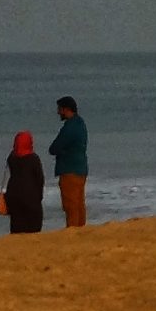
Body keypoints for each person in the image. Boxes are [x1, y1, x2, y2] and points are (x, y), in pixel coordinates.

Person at [48, 95, 87, 228]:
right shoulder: (80, 123)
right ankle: (80, 229)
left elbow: (54, 147)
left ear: (66, 109)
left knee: (71, 205)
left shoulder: (70, 127)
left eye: (60, 109)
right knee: (79, 204)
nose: (58, 112)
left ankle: (73, 230)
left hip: (70, 169)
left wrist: (59, 151)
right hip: (80, 168)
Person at [0, 131, 45, 235]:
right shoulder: (33, 159)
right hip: (30, 196)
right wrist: (40, 196)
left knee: (16, 225)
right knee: (33, 227)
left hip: (13, 194)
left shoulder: (11, 158)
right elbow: (40, 179)